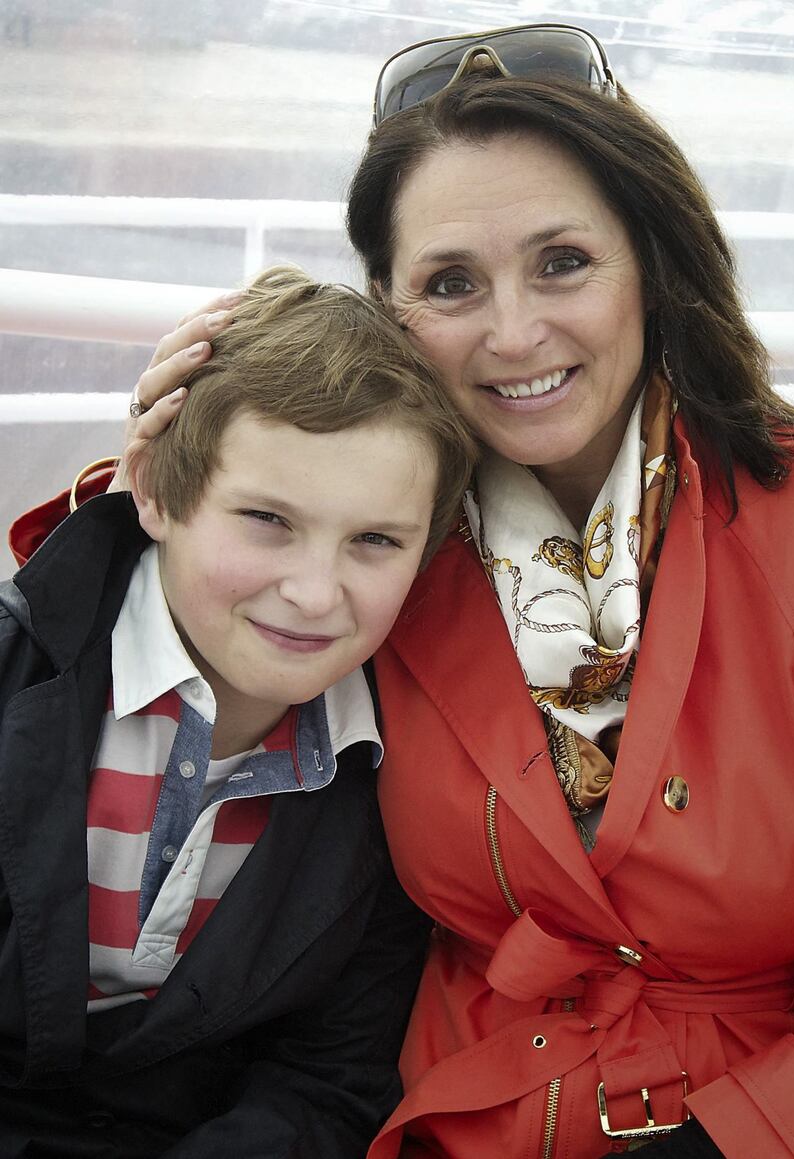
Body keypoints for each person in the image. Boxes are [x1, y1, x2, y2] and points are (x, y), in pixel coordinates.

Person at [13, 23, 794, 1159]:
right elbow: (192, 616)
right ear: (391, 310)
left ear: (650, 261)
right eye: (449, 283)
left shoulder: (779, 525)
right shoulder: (381, 553)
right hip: (448, 1117)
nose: (514, 330)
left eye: (562, 262)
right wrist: (168, 464)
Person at [0, 264, 477, 1159]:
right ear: (151, 487)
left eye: (375, 540)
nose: (311, 592)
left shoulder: (398, 783)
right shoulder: (20, 668)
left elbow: (329, 1076)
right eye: (266, 518)